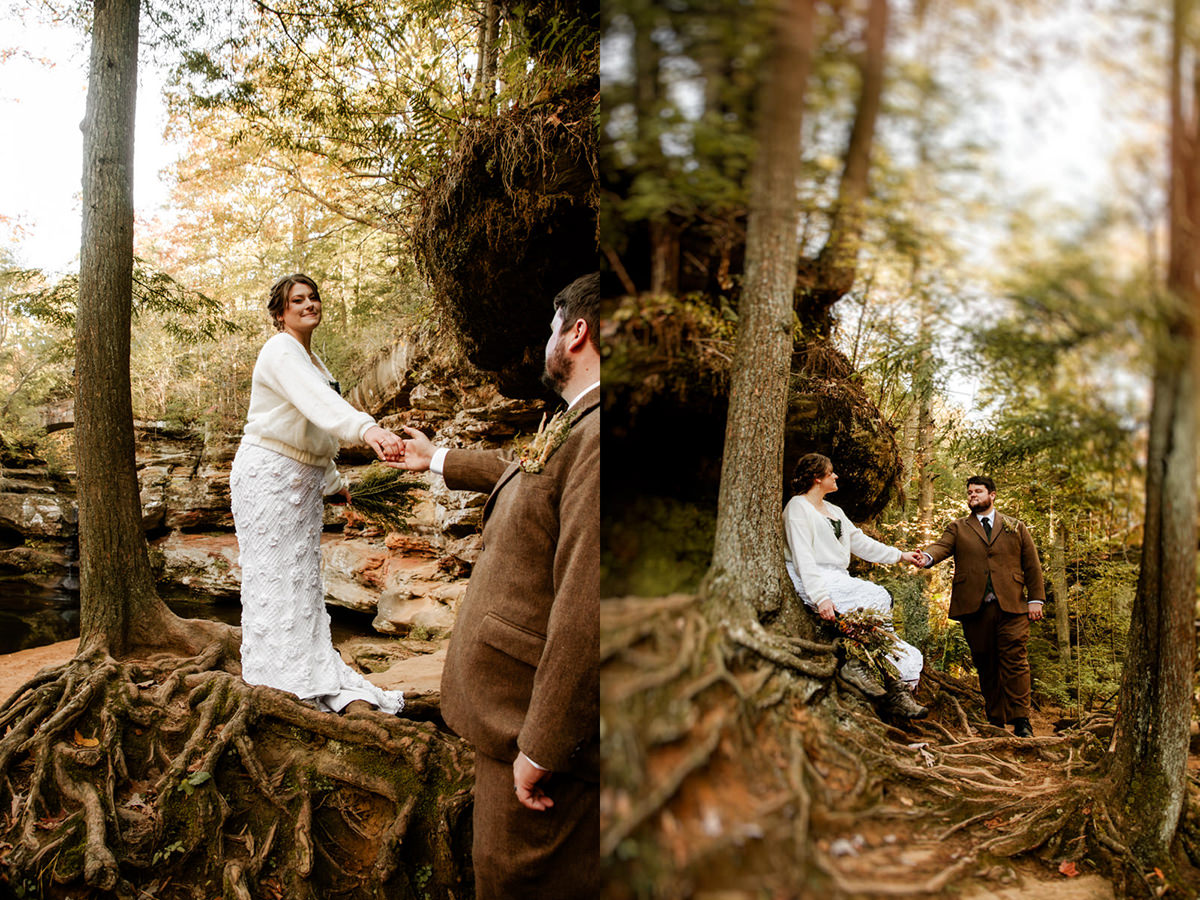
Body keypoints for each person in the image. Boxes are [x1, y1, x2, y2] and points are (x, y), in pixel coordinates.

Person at [392, 273, 599, 900]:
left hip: (531, 731)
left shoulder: (599, 432)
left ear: (576, 331)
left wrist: (543, 745)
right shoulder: (579, 419)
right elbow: (526, 476)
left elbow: (586, 608)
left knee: (517, 882)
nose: (546, 341)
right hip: (508, 717)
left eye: (549, 328)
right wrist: (434, 458)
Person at [230, 273, 407, 716]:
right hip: (268, 477)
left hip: (301, 483)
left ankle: (304, 675)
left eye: (313, 298)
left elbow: (314, 430)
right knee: (273, 581)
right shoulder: (280, 351)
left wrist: (335, 486)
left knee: (301, 583)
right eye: (297, 300)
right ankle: (276, 681)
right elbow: (322, 409)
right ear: (280, 313)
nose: (309, 305)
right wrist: (368, 428)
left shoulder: (316, 363)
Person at [783, 452, 928, 719]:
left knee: (891, 635)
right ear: (817, 478)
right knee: (875, 597)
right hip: (811, 577)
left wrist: (900, 555)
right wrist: (820, 597)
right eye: (831, 473)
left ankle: (891, 684)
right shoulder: (797, 507)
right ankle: (858, 666)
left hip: (839, 579)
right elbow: (803, 556)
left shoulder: (835, 511)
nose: (836, 476)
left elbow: (862, 544)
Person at [916, 475, 1045, 738]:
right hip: (974, 608)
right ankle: (995, 720)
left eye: (978, 491)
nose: (972, 495)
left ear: (992, 495)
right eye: (970, 492)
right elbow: (941, 547)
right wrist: (927, 556)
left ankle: (1021, 721)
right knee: (985, 663)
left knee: (1016, 662)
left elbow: (1032, 565)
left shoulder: (1015, 526)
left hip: (1012, 607)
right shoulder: (958, 527)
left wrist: (1036, 600)